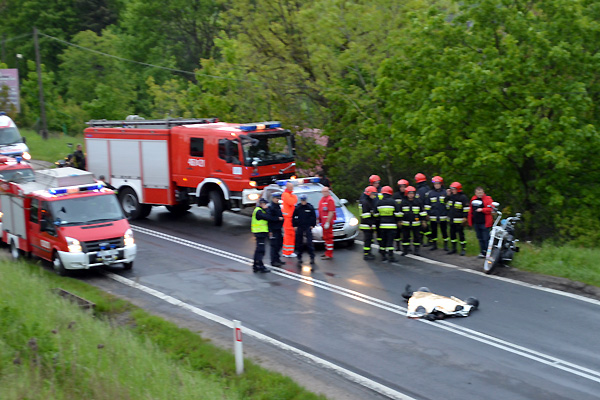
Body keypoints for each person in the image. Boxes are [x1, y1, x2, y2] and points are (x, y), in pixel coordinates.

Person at [398, 186, 427, 256]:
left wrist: (423, 221)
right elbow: (400, 213)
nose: (411, 195)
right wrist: (399, 221)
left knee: (417, 237)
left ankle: (416, 250)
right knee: (405, 237)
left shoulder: (418, 202)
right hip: (405, 224)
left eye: (412, 193)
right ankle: (405, 250)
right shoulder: (403, 202)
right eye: (409, 193)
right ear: (406, 194)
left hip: (416, 224)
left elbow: (422, 212)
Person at [468, 187, 494, 258]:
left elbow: (491, 208)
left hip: (484, 222)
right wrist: (470, 221)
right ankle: (483, 252)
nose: (479, 194)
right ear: (475, 193)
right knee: (480, 238)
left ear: (483, 192)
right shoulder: (473, 199)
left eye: (481, 192)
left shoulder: (487, 199)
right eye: (478, 193)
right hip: (476, 222)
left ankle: (489, 253)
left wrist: (482, 209)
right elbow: (471, 210)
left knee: (486, 238)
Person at [376, 186, 401, 262]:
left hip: (382, 226)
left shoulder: (379, 202)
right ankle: (391, 256)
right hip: (392, 225)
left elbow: (376, 215)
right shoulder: (393, 202)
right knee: (390, 241)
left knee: (383, 241)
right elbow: (398, 214)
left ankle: (383, 256)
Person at [293, 194, 317, 268]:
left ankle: (312, 257)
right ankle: (299, 257)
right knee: (299, 243)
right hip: (300, 226)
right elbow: (294, 217)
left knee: (309, 243)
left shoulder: (310, 207)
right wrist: (295, 225)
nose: (303, 202)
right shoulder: (298, 208)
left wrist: (313, 225)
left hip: (307, 227)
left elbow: (313, 216)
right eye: (302, 200)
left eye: (304, 200)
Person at [425, 176, 448, 251]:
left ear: (441, 184)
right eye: (435, 184)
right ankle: (434, 244)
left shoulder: (445, 193)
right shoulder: (430, 193)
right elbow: (427, 205)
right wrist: (427, 214)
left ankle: (446, 245)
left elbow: (448, 204)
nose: (436, 185)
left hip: (443, 215)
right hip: (433, 216)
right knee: (434, 231)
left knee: (444, 231)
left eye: (438, 184)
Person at [446, 182, 470, 255]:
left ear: (458, 189)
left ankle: (463, 249)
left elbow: (466, 208)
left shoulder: (463, 197)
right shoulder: (451, 196)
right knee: (452, 235)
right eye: (451, 189)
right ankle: (454, 248)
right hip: (451, 219)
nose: (452, 190)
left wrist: (465, 217)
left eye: (453, 189)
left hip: (459, 220)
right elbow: (444, 203)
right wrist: (448, 195)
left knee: (461, 235)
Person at [251, 198, 271, 273]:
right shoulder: (258, 211)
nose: (266, 206)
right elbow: (267, 217)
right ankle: (259, 266)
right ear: (262, 204)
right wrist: (266, 210)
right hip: (259, 232)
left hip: (261, 232)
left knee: (259, 250)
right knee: (261, 250)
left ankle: (256, 265)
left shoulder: (259, 210)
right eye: (265, 204)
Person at [359, 185, 379, 260]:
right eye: (373, 194)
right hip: (366, 225)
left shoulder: (369, 201)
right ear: (368, 194)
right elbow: (366, 215)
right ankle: (366, 254)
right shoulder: (365, 203)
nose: (374, 196)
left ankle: (369, 252)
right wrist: (370, 224)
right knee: (367, 239)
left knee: (370, 239)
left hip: (369, 224)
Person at [266, 192, 285, 266]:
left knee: (279, 244)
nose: (278, 200)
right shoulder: (270, 207)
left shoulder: (277, 206)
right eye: (277, 198)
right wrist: (278, 218)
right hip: (273, 229)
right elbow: (269, 218)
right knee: (274, 245)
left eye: (279, 198)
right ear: (273, 198)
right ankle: (273, 261)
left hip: (278, 228)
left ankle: (277, 259)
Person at [318, 186, 336, 260]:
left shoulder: (330, 200)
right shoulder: (323, 199)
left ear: (328, 192)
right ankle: (327, 252)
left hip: (327, 223)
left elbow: (331, 212)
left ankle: (329, 254)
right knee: (325, 238)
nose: (324, 193)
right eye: (323, 191)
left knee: (329, 238)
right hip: (323, 222)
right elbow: (321, 211)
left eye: (326, 191)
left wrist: (328, 222)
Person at [414, 173, 432, 247]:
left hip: (423, 210)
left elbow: (419, 201)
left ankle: (430, 238)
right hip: (429, 210)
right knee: (422, 226)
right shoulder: (428, 188)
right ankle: (421, 239)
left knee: (423, 225)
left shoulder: (421, 190)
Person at [281, 182, 298, 257]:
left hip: (290, 217)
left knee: (291, 235)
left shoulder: (289, 194)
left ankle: (289, 251)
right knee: (288, 235)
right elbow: (292, 202)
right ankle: (287, 252)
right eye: (291, 187)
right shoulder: (286, 195)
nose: (292, 188)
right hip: (288, 218)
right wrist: (294, 197)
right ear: (288, 187)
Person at [393, 179, 409, 251]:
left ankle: (406, 247)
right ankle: (398, 245)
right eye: (401, 187)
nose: (402, 188)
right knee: (397, 233)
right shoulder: (396, 195)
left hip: (406, 217)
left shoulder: (408, 195)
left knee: (406, 233)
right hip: (397, 217)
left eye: (404, 186)